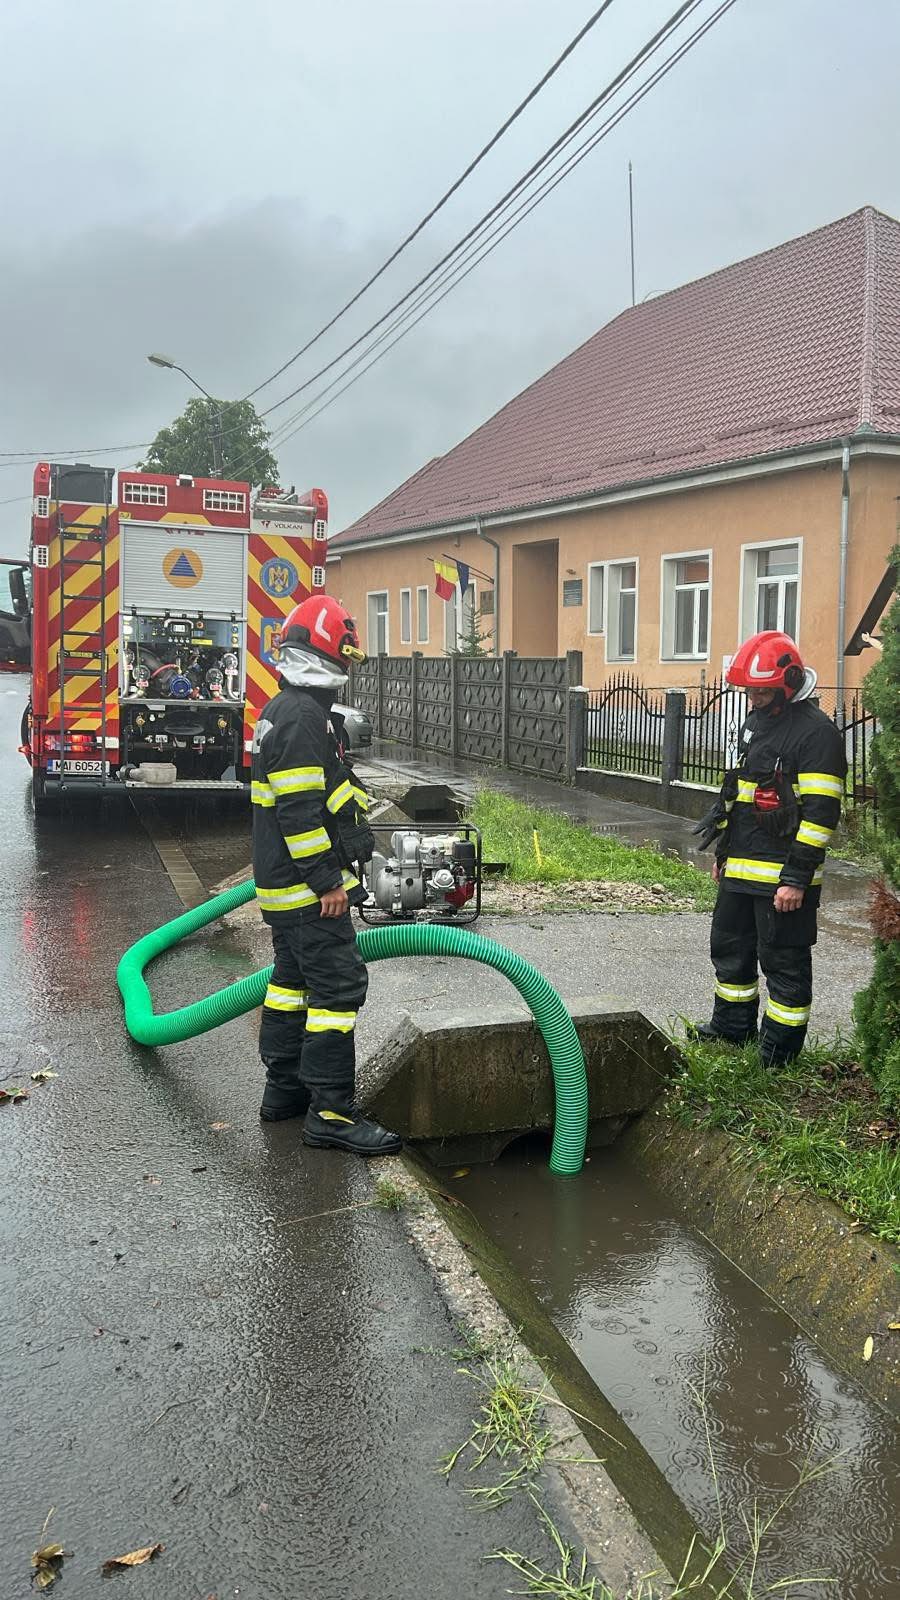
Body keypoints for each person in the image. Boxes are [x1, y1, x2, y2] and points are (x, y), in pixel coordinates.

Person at [251, 594, 401, 1154]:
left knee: (292, 987)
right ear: (326, 653)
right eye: (345, 653)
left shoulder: (285, 710)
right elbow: (298, 812)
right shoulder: (302, 718)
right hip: (305, 889)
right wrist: (327, 882)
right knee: (336, 988)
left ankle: (283, 1092)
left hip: (285, 887)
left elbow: (318, 796)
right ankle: (332, 1113)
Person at [691, 631, 846, 1065]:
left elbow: (820, 817)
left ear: (790, 684)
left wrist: (796, 878)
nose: (753, 700)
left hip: (784, 878)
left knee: (783, 965)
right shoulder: (755, 724)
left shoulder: (818, 736)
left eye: (761, 692)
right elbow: (739, 798)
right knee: (729, 948)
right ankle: (731, 1027)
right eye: (749, 692)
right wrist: (724, 855)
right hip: (742, 867)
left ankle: (778, 1055)